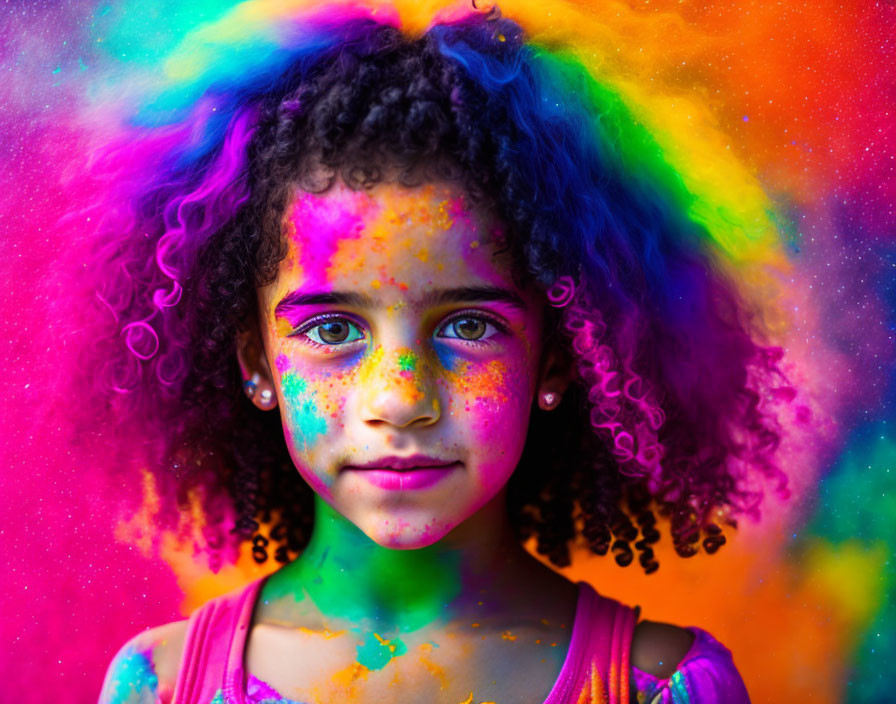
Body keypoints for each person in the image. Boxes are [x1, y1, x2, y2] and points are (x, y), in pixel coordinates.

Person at [91, 1, 788, 701]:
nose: (400, 400)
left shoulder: (661, 688)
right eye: (333, 330)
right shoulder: (162, 685)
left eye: (469, 327)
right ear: (256, 362)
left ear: (555, 358)